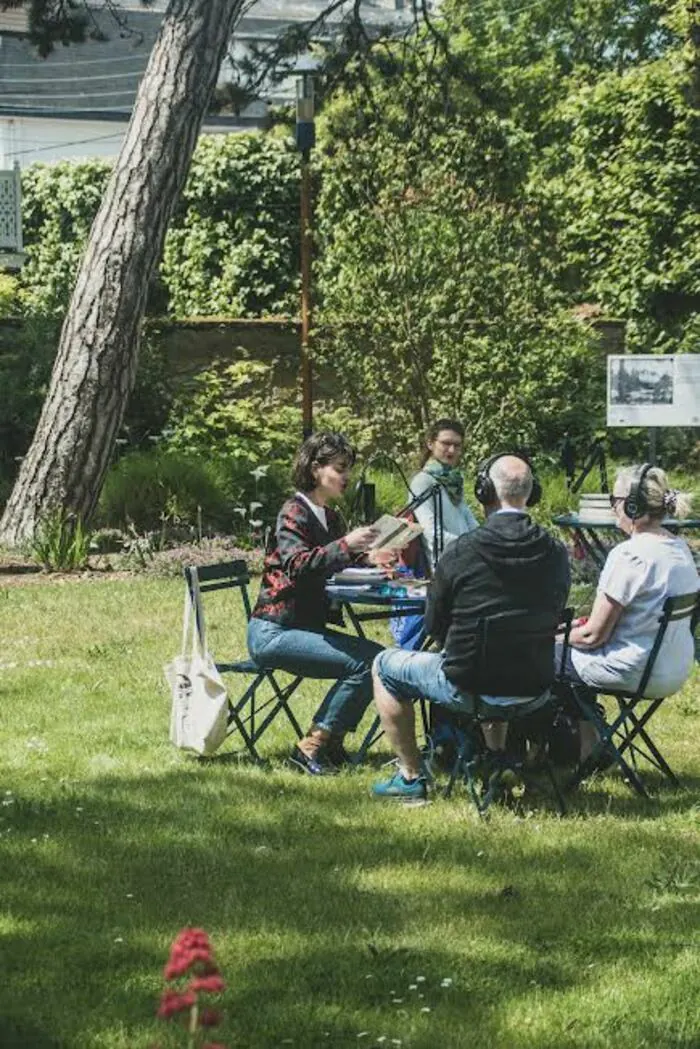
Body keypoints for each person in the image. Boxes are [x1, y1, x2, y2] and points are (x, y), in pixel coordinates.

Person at [372, 453, 571, 800]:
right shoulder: (555, 552)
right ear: (532, 492)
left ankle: (411, 777)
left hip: (468, 684)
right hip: (535, 686)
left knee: (384, 666)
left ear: (484, 491)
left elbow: (434, 626)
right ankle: (498, 759)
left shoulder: (463, 550)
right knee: (498, 657)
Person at [247, 432, 387, 775]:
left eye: (348, 469)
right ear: (314, 469)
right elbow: (298, 565)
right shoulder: (293, 512)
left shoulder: (331, 517)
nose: (346, 476)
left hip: (305, 628)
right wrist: (347, 544)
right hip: (275, 631)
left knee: (376, 659)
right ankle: (313, 745)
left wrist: (374, 560)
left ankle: (330, 741)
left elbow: (336, 563)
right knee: (369, 661)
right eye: (339, 468)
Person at [558, 464, 699, 763]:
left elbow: (593, 635)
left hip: (634, 670)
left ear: (632, 505)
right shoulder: (680, 548)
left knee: (546, 658)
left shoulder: (629, 554)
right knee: (567, 659)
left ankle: (536, 754)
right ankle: (589, 745)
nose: (613, 508)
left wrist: (554, 636)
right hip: (672, 669)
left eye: (615, 501)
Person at [408, 419, 479, 567]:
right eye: (446, 443)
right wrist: (474, 547)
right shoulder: (423, 482)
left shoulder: (453, 481)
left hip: (465, 562)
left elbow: (470, 524)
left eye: (457, 445)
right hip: (444, 568)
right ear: (430, 443)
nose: (452, 450)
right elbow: (433, 535)